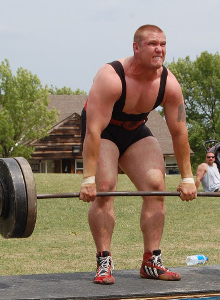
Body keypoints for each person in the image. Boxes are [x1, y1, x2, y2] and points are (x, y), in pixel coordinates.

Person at [79, 24, 197, 285]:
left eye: (163, 44)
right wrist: (88, 179)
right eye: (153, 44)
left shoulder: (169, 84)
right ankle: (104, 261)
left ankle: (151, 261)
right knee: (106, 186)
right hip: (103, 132)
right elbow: (93, 131)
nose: (159, 49)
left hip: (134, 130)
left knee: (156, 187)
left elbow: (179, 134)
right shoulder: (111, 77)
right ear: (136, 47)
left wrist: (188, 178)